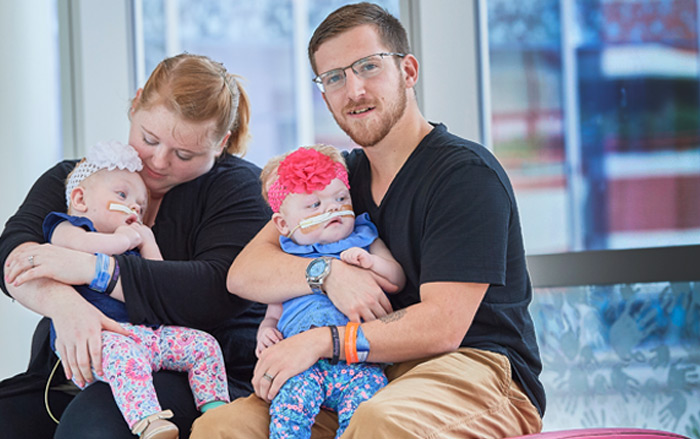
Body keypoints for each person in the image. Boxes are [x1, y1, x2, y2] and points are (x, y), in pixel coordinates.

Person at [190, 3, 546, 439]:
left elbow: (443, 325)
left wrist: (324, 340)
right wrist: (326, 273)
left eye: (368, 67)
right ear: (324, 95)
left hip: (478, 367)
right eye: (335, 77)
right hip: (365, 371)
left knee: (379, 421)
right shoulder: (340, 178)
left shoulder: (466, 175)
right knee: (222, 427)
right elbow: (244, 273)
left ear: (408, 71)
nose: (353, 89)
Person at [0, 53, 271, 439]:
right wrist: (67, 307)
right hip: (83, 365)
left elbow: (214, 289)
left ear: (221, 144)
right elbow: (12, 255)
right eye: (149, 139)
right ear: (135, 103)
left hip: (195, 371)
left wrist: (90, 269)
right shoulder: (78, 179)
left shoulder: (239, 189)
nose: (158, 162)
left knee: (92, 430)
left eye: (185, 155)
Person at [36, 140, 230, 439]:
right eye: (122, 195)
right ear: (80, 199)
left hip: (149, 336)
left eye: (140, 205)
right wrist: (126, 240)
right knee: (126, 358)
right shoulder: (68, 229)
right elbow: (85, 249)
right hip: (101, 343)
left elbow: (159, 278)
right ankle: (149, 421)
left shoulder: (131, 240)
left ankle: (215, 408)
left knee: (203, 345)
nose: (134, 208)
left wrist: (147, 241)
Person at [255, 144, 405, 438]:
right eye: (314, 205)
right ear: (283, 224)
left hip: (359, 364)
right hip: (302, 365)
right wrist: (266, 330)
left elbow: (397, 279)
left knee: (365, 411)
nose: (333, 208)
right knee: (288, 413)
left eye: (340, 198)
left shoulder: (362, 237)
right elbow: (273, 311)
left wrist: (372, 262)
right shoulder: (285, 258)